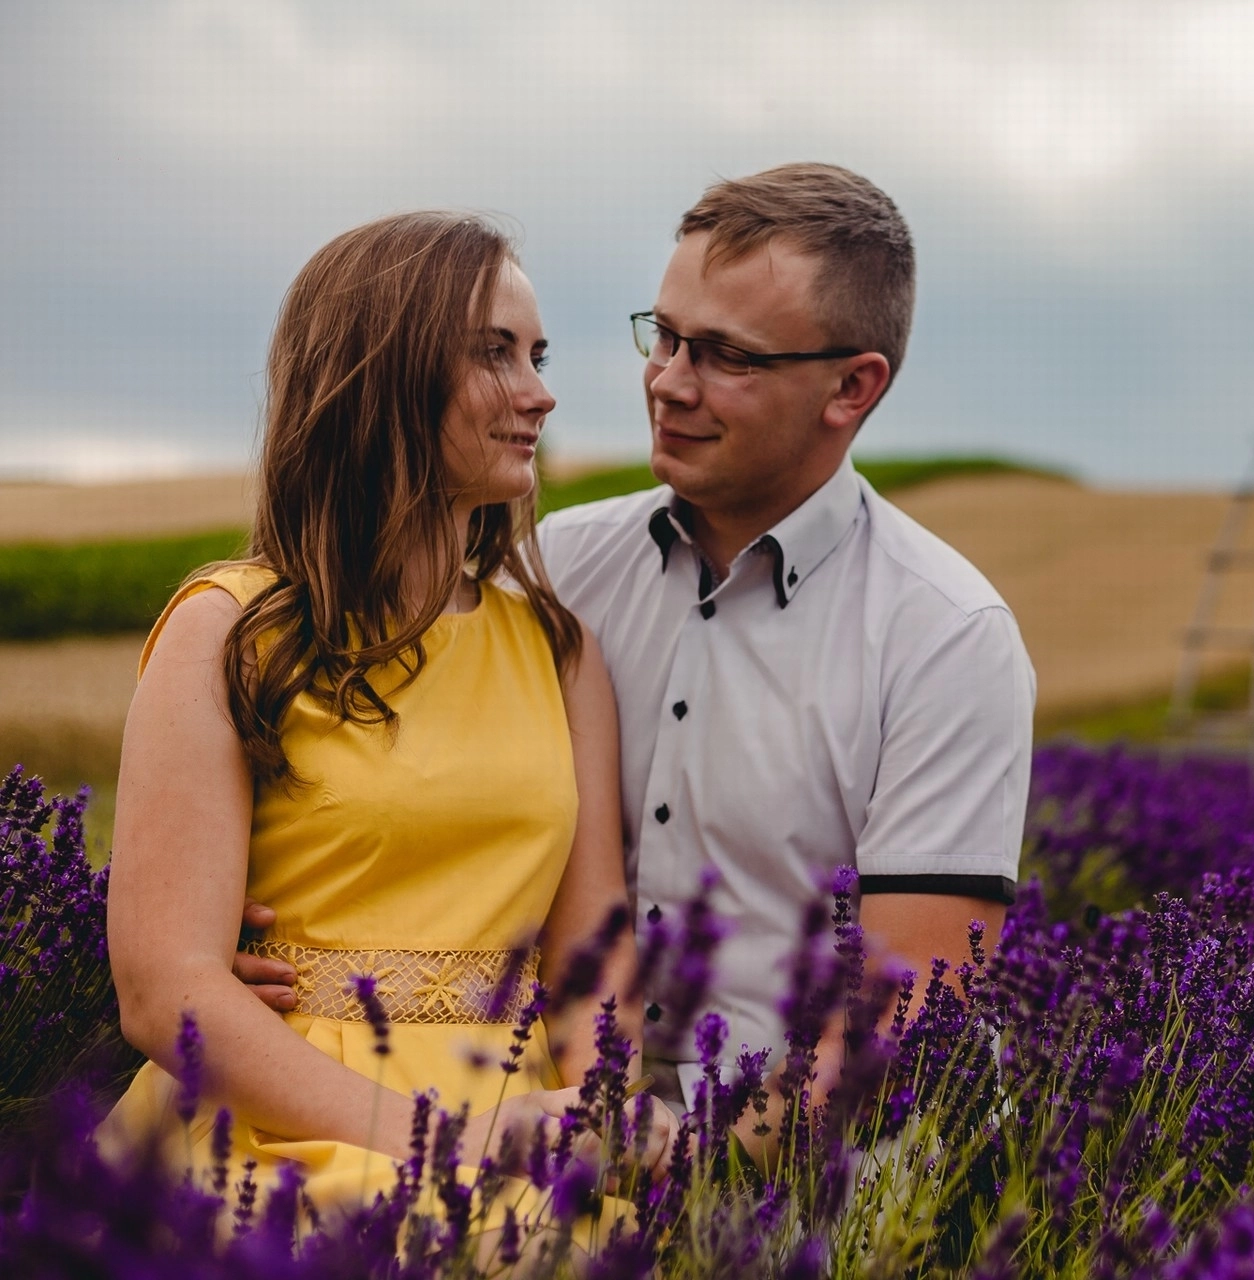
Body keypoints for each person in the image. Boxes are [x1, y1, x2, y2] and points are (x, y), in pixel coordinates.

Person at [104, 210, 670, 1213]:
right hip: (282, 1121)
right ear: (383, 374)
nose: (540, 392)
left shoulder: (559, 652)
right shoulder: (228, 632)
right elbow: (163, 992)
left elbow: (589, 962)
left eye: (537, 355)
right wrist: (452, 1142)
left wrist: (604, 1119)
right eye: (494, 353)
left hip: (519, 1123)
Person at [531, 163, 1036, 1118]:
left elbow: (906, 1015)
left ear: (852, 387)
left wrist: (684, 1164)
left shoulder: (946, 637)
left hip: (815, 1169)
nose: (668, 382)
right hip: (562, 1128)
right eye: (665, 336)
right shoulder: (557, 569)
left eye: (727, 356)